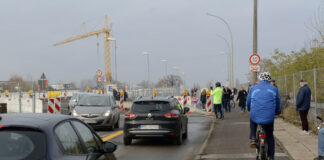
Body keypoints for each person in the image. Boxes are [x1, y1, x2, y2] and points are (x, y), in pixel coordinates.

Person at [246, 72, 281, 160]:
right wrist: (277, 112)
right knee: (269, 136)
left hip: (255, 114)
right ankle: (271, 156)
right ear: (269, 79)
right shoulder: (274, 89)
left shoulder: (253, 88)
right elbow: (278, 103)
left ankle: (253, 137)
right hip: (269, 116)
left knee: (252, 119)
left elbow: (248, 102)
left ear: (259, 79)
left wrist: (249, 109)